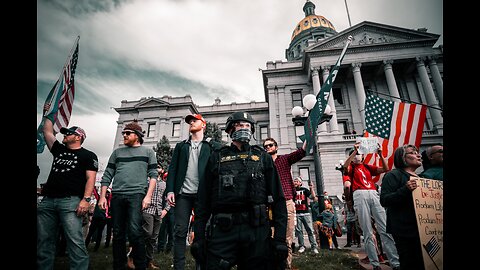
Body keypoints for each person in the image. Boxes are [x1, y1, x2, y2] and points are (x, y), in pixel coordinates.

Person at [192, 111, 288, 269]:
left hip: (256, 231)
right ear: (229, 130)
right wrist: (199, 238)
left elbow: (278, 199)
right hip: (223, 230)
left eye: (247, 126)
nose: (244, 129)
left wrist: (279, 238)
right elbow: (203, 199)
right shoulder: (217, 157)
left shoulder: (263, 157)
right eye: (239, 125)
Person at [37, 106, 98, 270]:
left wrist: (86, 200)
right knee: (44, 241)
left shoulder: (88, 155)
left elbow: (90, 179)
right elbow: (48, 132)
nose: (65, 135)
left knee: (75, 242)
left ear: (78, 137)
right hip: (48, 201)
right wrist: (50, 111)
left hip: (70, 202)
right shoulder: (58, 150)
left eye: (68, 133)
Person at [98, 120, 158, 270]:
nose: (124, 135)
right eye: (123, 132)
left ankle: (141, 265)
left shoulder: (148, 152)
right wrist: (102, 196)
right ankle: (119, 266)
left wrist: (148, 196)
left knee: (135, 231)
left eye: (127, 133)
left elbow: (153, 176)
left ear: (137, 136)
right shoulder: (117, 152)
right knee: (117, 233)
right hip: (117, 195)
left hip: (137, 195)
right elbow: (107, 175)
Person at [165, 113, 220, 270]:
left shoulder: (211, 146)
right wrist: (170, 190)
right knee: (180, 231)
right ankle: (178, 267)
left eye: (194, 121)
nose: (191, 123)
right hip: (183, 195)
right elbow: (173, 169)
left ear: (203, 125)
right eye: (189, 122)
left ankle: (200, 266)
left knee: (201, 233)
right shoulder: (181, 146)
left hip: (203, 196)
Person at [343, 141, 400, 270]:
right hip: (359, 194)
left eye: (360, 154)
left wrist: (380, 154)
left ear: (363, 156)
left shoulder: (367, 167)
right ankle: (375, 264)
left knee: (385, 228)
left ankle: (395, 262)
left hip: (373, 193)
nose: (358, 156)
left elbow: (385, 169)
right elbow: (345, 167)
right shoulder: (350, 168)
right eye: (356, 154)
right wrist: (354, 152)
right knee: (367, 231)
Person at [263, 137, 307, 270]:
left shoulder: (284, 159)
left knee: (287, 236)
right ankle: (272, 265)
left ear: (276, 147)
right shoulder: (262, 163)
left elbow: (301, 152)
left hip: (287, 201)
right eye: (265, 147)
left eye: (270, 145)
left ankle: (286, 265)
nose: (268, 148)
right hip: (269, 205)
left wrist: (309, 135)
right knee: (270, 236)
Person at [380, 144, 425, 270]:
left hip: (423, 229)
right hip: (405, 230)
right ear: (402, 158)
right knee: (410, 263)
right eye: (413, 152)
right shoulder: (392, 175)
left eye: (418, 152)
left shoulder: (422, 178)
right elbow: (384, 200)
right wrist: (405, 189)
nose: (418, 155)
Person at [141, 165, 168, 269]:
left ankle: (149, 262)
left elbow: (168, 197)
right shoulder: (147, 181)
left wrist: (166, 210)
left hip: (158, 213)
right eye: (155, 166)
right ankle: (133, 254)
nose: (157, 168)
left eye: (159, 167)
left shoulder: (164, 184)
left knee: (153, 239)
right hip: (147, 210)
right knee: (147, 233)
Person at [293, 177, 318, 254]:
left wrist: (311, 188)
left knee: (310, 230)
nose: (295, 182)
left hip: (306, 213)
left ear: (300, 183)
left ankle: (314, 247)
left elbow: (313, 197)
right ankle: (301, 246)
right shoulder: (292, 191)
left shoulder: (304, 190)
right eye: (294, 181)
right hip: (297, 214)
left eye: (297, 181)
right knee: (299, 231)